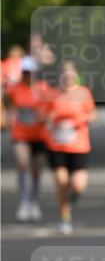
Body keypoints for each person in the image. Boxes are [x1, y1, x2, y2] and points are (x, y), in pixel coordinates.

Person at [41, 61, 96, 234]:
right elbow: (43, 116)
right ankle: (64, 217)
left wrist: (79, 121)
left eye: (71, 74)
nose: (68, 77)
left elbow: (92, 113)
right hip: (57, 145)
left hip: (79, 145)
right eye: (65, 74)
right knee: (61, 182)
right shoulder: (52, 94)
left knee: (78, 185)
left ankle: (72, 199)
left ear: (75, 76)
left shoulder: (83, 93)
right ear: (60, 76)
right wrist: (51, 119)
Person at [3, 56, 51, 221]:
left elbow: (50, 108)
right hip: (20, 134)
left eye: (30, 72)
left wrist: (44, 117)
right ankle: (23, 202)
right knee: (22, 165)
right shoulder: (14, 88)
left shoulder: (42, 88)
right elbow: (7, 102)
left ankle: (34, 201)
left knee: (36, 171)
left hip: (39, 134)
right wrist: (8, 118)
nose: (27, 75)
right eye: (25, 72)